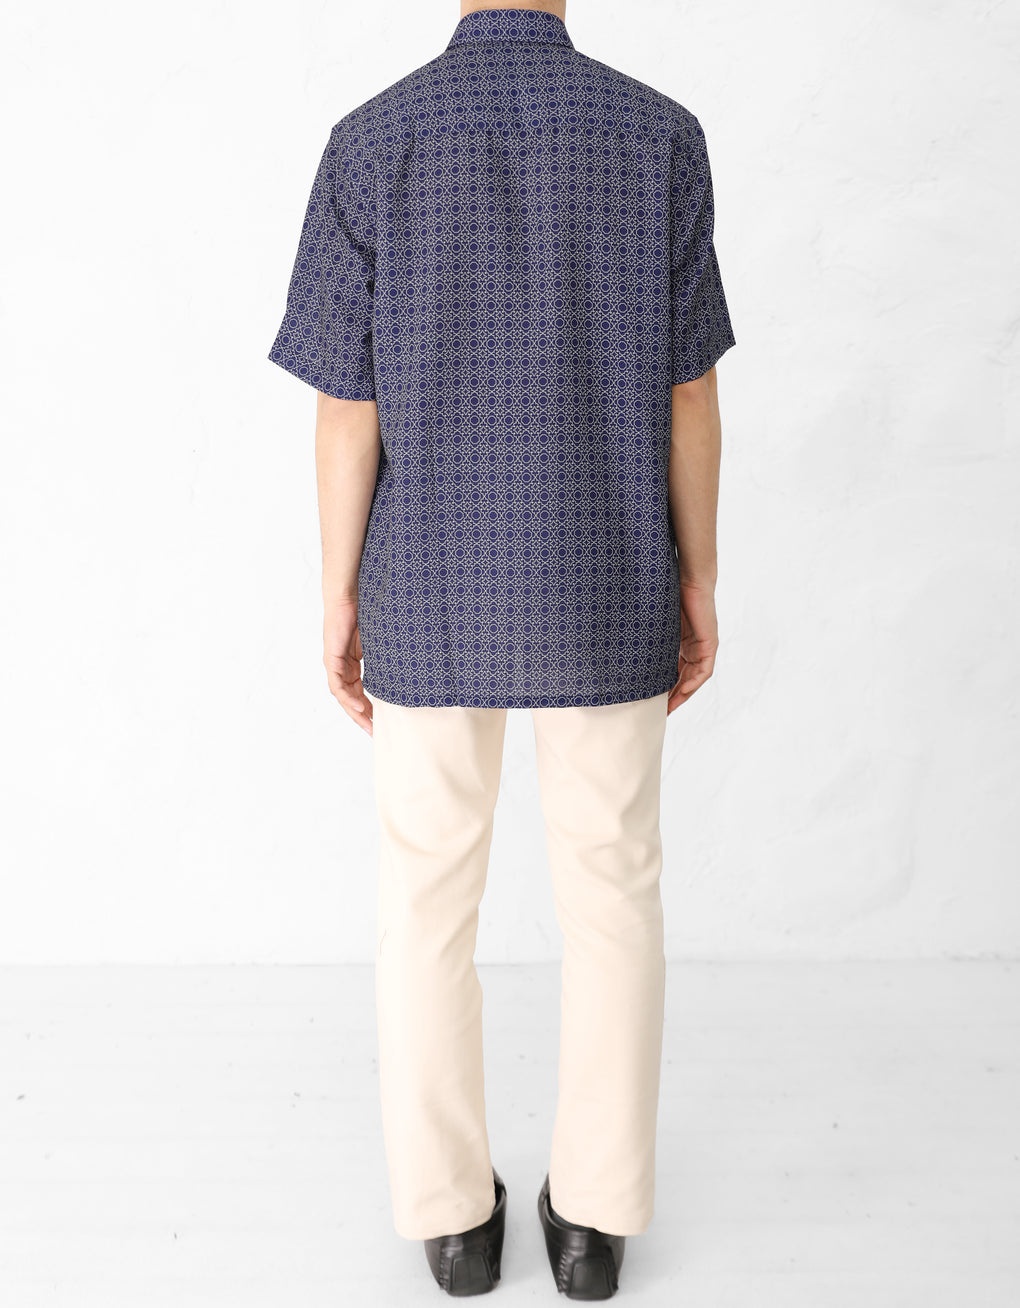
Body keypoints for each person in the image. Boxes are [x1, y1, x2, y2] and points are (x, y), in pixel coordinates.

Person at [267, 1, 735, 1298]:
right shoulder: (658, 137)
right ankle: (592, 1227)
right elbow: (691, 390)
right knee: (614, 890)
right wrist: (698, 575)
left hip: (429, 581)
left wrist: (337, 590)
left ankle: (453, 1226)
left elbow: (346, 406)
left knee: (424, 901)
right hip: (606, 573)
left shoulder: (372, 141)